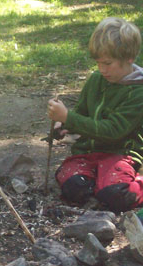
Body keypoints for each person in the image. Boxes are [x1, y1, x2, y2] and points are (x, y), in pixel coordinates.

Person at [47, 17, 143, 214]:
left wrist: (68, 117)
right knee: (74, 187)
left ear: (129, 58)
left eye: (108, 63)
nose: (102, 69)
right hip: (88, 154)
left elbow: (113, 130)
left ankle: (128, 185)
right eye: (98, 63)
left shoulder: (138, 91)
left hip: (119, 155)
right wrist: (65, 126)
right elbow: (83, 114)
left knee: (116, 194)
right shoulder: (96, 80)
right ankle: (97, 188)